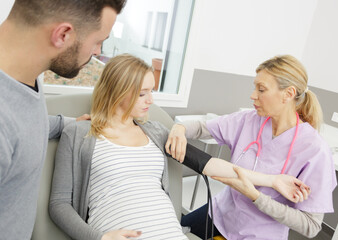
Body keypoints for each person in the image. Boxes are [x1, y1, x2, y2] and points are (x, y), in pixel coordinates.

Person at [49, 54, 311, 240]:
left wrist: (273, 181)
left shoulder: (153, 131)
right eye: (142, 93)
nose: (151, 100)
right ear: (116, 91)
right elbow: (59, 205)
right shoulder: (79, 133)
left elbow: (211, 164)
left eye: (152, 91)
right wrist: (100, 238)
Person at [166, 55, 337, 239]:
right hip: (220, 214)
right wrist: (179, 128)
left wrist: (256, 197)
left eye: (261, 89)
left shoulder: (315, 150)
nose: (253, 95)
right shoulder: (249, 120)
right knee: (168, 233)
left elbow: (310, 226)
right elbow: (201, 128)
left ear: (288, 94)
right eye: (255, 87)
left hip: (258, 234)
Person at [0, 0, 127, 239]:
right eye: (98, 40)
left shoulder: (23, 73)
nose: (97, 51)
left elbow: (23, 123)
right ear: (63, 34)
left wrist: (72, 124)